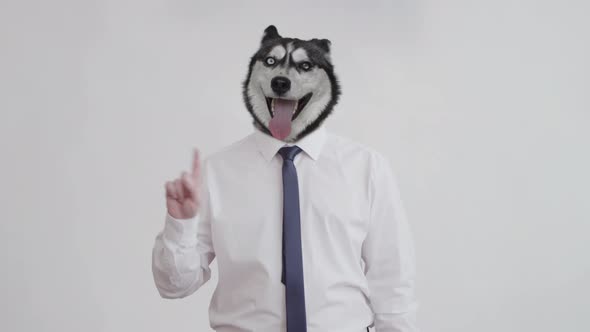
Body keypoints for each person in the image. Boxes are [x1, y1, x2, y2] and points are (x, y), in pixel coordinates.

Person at [151, 25, 419, 332]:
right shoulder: (216, 172)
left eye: (304, 66)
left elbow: (393, 281)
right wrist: (180, 224)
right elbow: (174, 286)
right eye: (271, 62)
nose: (283, 76)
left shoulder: (367, 168)